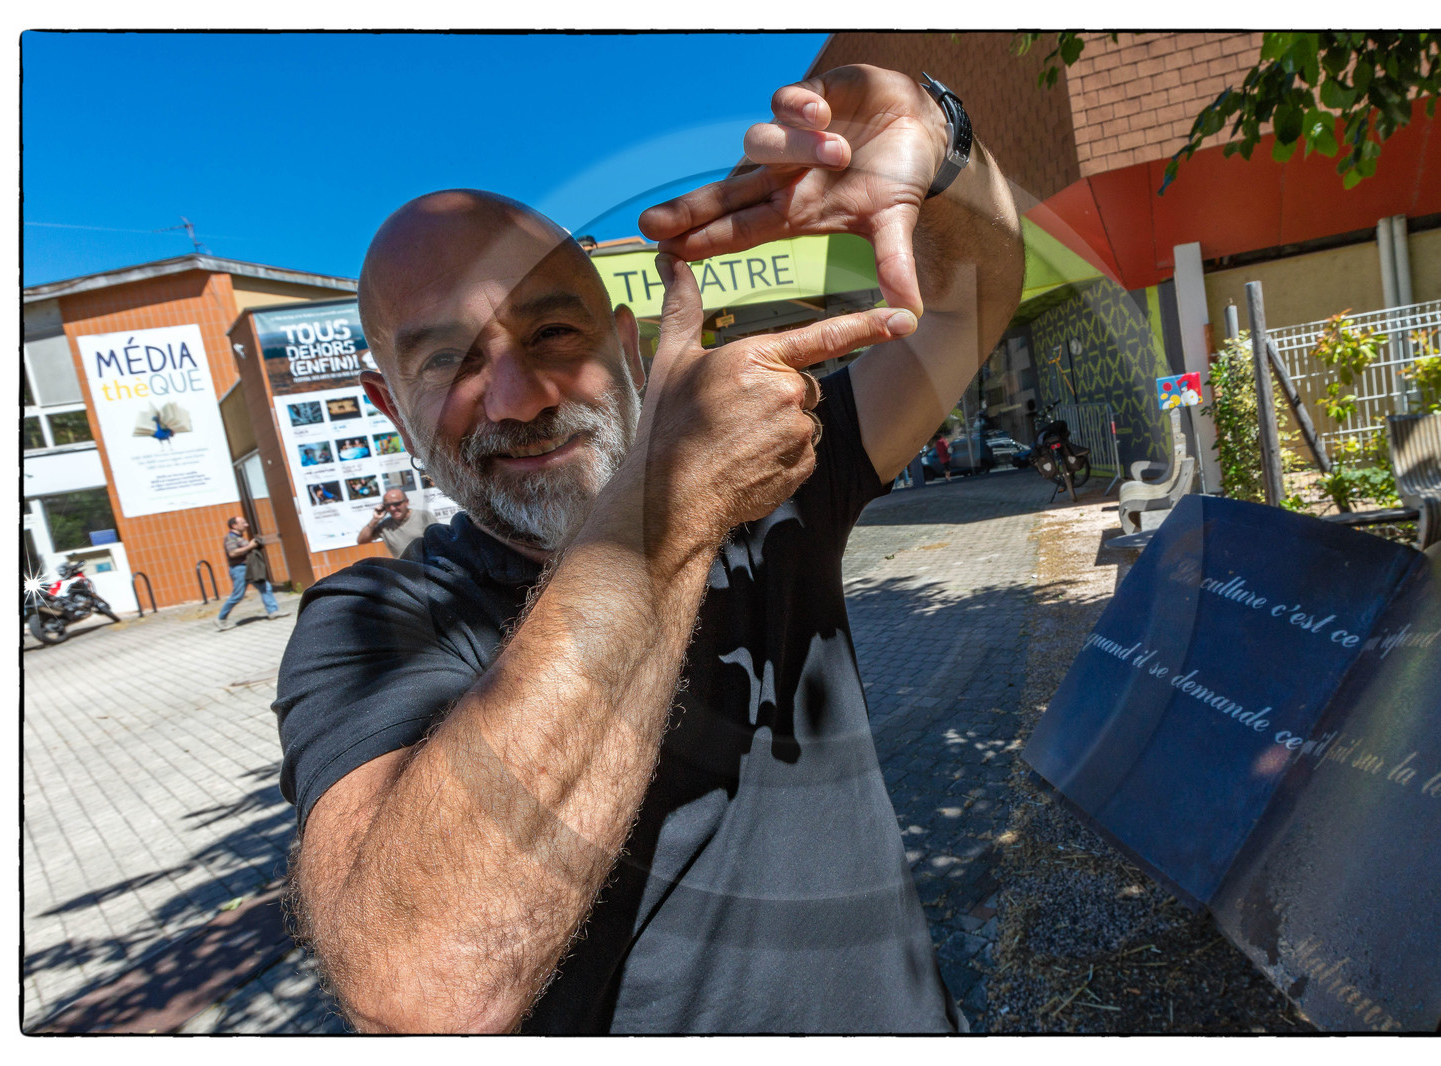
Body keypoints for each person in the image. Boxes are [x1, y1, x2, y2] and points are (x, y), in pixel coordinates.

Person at [275, 64, 1022, 1033]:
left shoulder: (767, 485)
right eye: (449, 362)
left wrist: (946, 145)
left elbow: (976, 298)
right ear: (390, 407)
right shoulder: (374, 622)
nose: (520, 397)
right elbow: (425, 988)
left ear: (628, 348)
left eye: (552, 332)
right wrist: (670, 512)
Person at [216, 516, 282, 630]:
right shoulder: (230, 538)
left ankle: (273, 612)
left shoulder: (240, 537)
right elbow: (232, 553)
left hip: (250, 568)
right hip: (239, 569)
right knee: (237, 595)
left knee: (265, 587)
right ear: (234, 526)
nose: (246, 525)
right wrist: (250, 546)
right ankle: (220, 618)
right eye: (243, 523)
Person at [356, 487, 436, 557]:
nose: (392, 508)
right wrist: (375, 520)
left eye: (396, 504)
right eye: (388, 505)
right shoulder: (385, 526)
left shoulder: (424, 516)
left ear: (406, 502)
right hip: (407, 571)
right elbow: (361, 541)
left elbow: (439, 539)